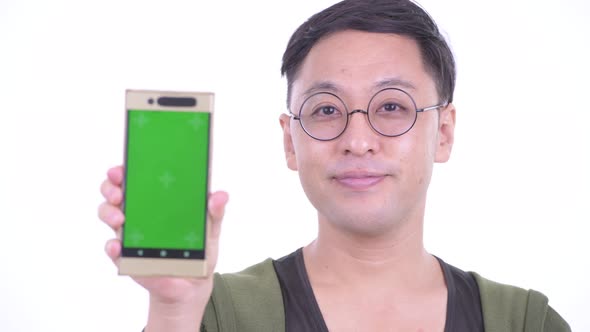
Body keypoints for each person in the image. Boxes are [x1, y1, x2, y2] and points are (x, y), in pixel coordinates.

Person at [98, 0, 570, 331]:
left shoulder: (523, 321)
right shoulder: (222, 314)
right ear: (290, 140)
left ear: (443, 132)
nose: (358, 141)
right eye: (326, 109)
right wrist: (174, 311)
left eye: (391, 106)